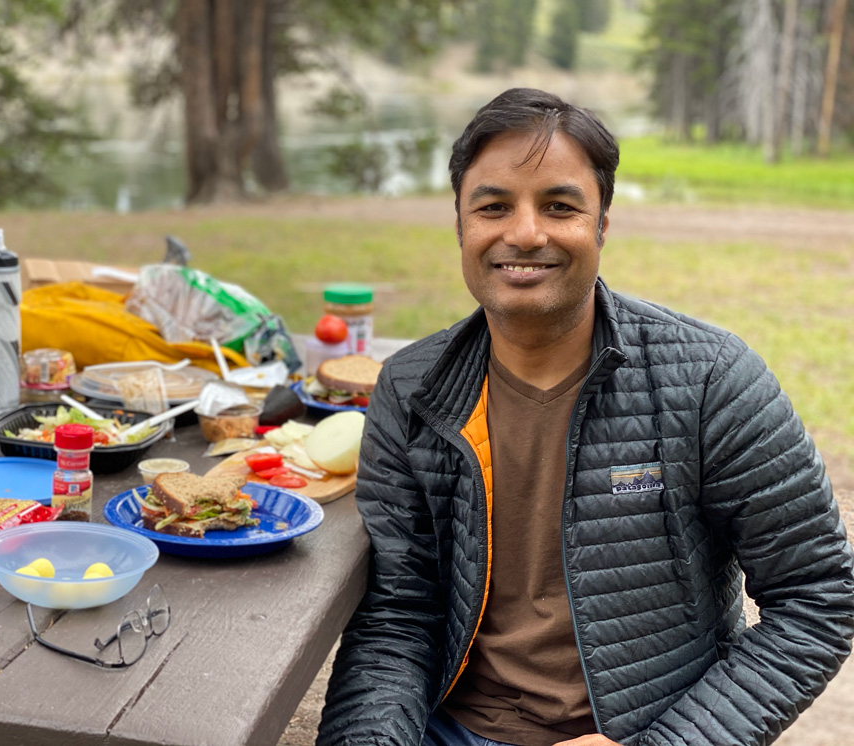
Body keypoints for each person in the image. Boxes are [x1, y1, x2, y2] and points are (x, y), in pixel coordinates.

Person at [316, 88, 854, 746]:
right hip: (449, 728)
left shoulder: (711, 379)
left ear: (601, 224)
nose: (525, 232)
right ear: (461, 225)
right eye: (493, 207)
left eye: (559, 206)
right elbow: (399, 615)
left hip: (654, 730)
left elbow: (817, 597)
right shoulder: (410, 387)